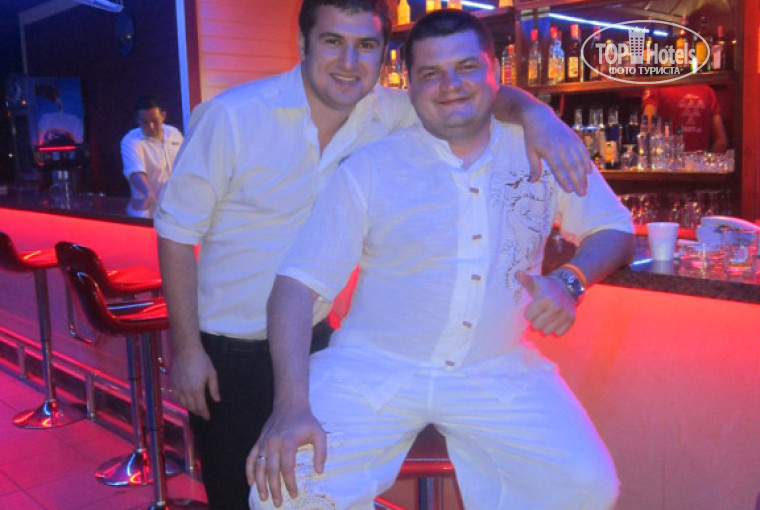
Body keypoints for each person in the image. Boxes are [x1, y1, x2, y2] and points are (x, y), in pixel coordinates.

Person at [154, 1, 596, 508]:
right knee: (243, 494)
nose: (349, 62)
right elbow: (174, 232)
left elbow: (476, 92)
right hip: (230, 351)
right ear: (302, 44)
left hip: (314, 343)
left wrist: (538, 115)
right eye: (332, 41)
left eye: (365, 45)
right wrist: (186, 349)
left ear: (383, 53)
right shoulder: (232, 117)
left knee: (302, 491)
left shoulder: (391, 112)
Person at [121, 95, 184, 207]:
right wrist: (148, 192)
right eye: (145, 122)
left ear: (163, 116)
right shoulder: (131, 140)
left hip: (177, 205)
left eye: (155, 121)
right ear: (137, 120)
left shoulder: (174, 133)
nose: (151, 127)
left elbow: (186, 163)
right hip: (147, 207)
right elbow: (135, 171)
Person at [641, 85, 728, 153]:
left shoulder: (657, 87)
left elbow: (648, 128)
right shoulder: (708, 91)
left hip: (668, 162)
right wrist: (709, 164)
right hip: (698, 165)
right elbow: (721, 142)